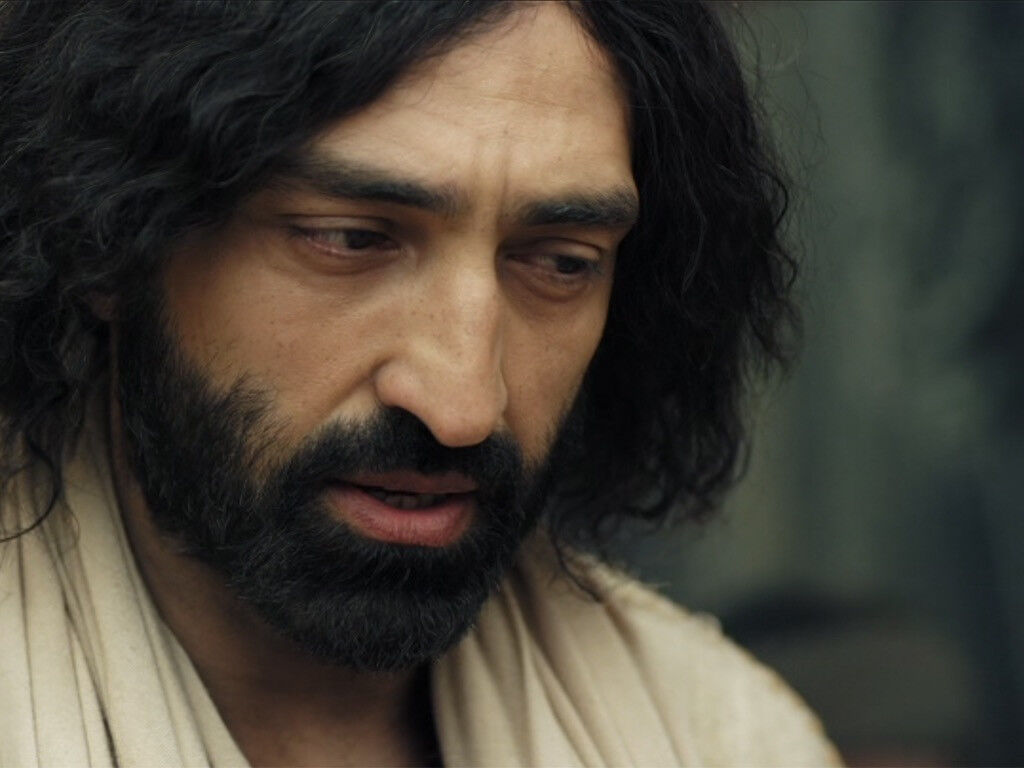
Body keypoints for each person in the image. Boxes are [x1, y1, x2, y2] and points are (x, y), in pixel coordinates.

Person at [0, 1, 840, 766]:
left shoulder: (719, 738)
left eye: (560, 262)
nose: (463, 407)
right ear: (106, 240)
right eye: (349, 239)